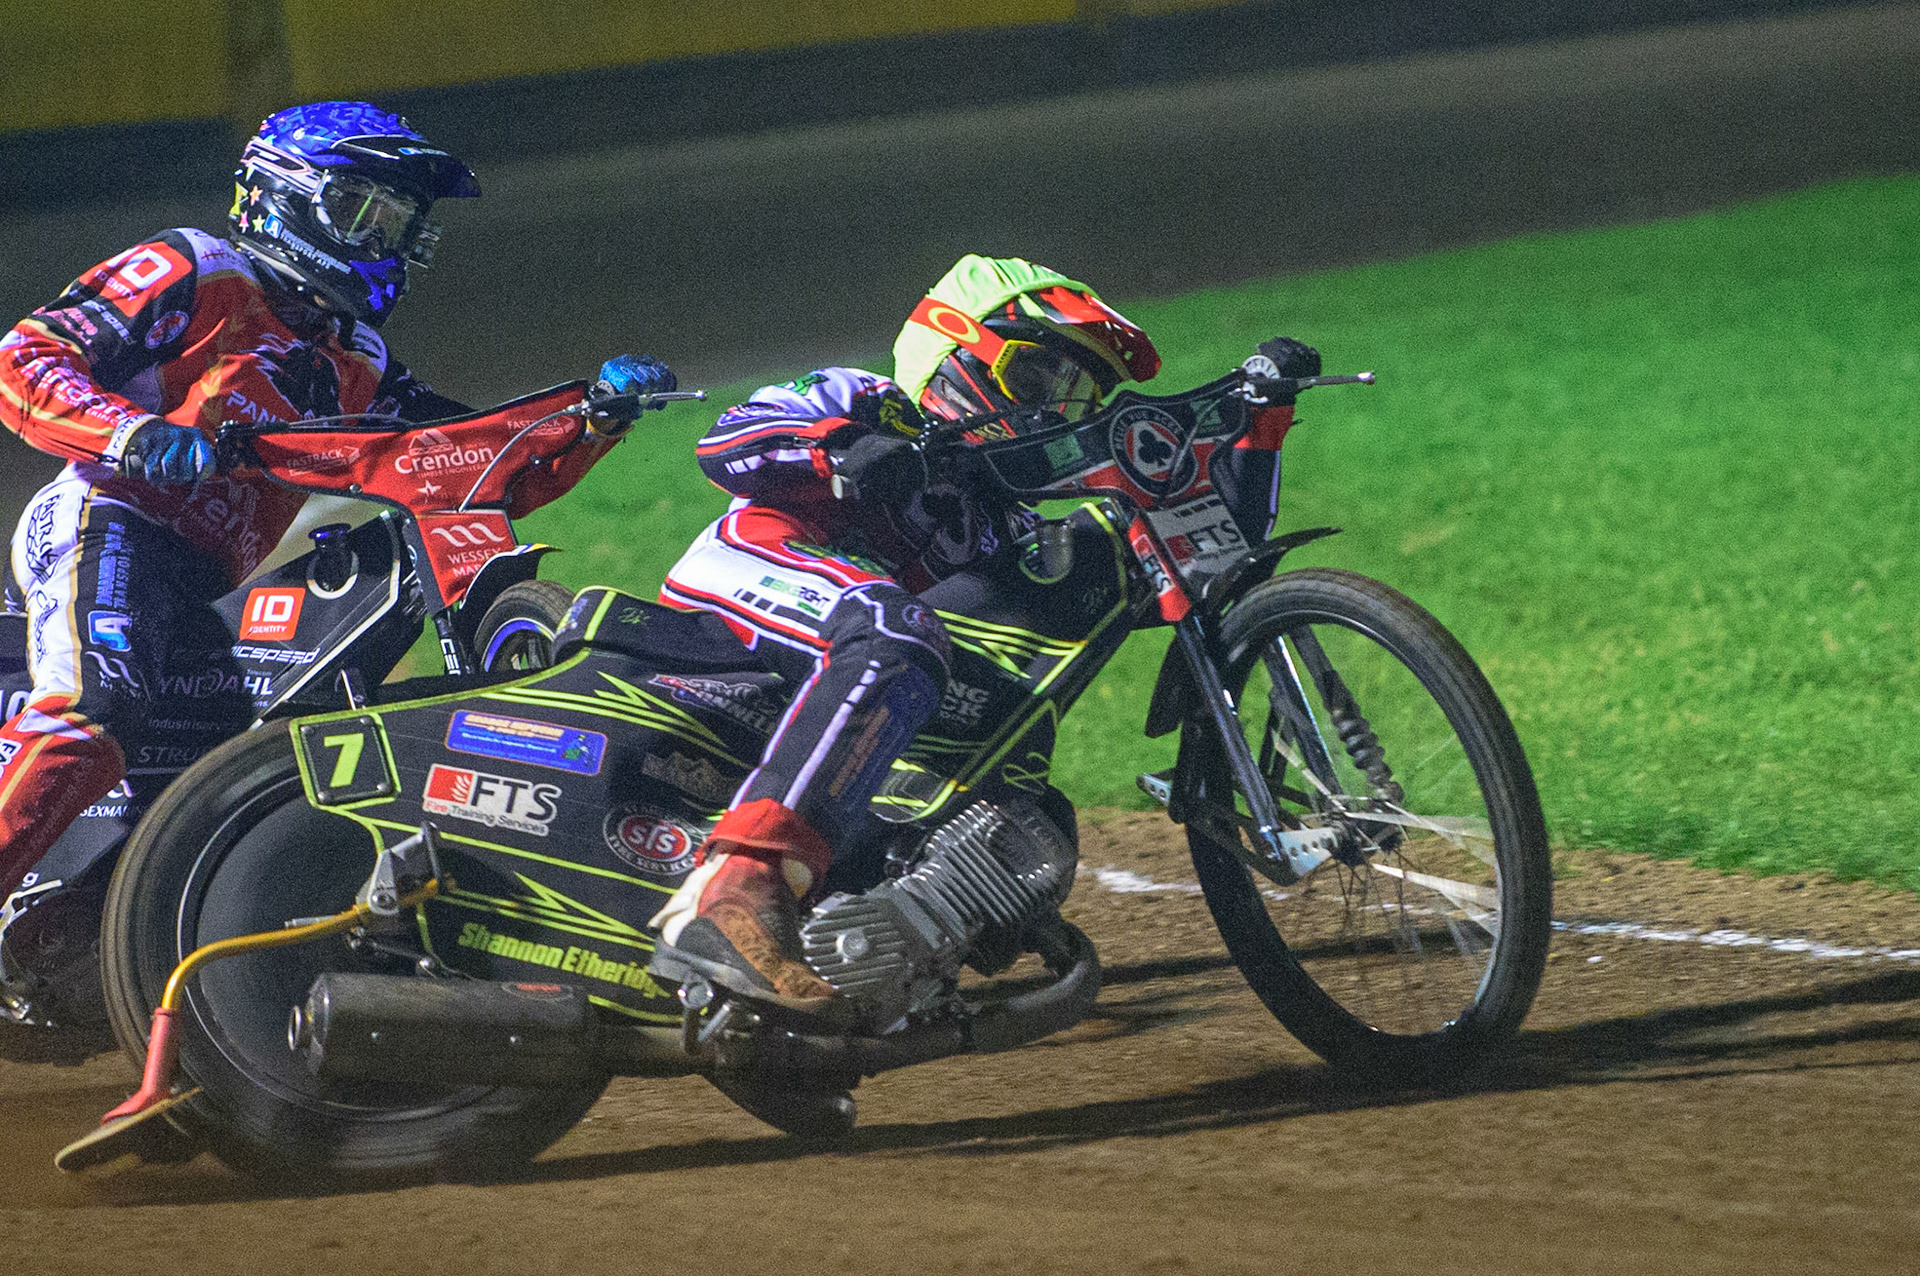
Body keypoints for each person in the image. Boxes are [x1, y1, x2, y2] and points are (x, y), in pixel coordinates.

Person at [0, 100, 671, 907]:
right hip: (108, 520)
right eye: (366, 214)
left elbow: (467, 465)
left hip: (200, 588)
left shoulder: (357, 355)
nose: (386, 243)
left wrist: (592, 421)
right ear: (285, 196)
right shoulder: (197, 268)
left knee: (220, 775)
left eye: (399, 225)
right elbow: (25, 357)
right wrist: (131, 432)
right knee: (93, 713)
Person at [649, 254, 1314, 1012]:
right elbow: (728, 440)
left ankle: (873, 949)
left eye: (1074, 395)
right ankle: (737, 891)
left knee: (1025, 807)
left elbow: (1204, 554)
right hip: (752, 578)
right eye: (1035, 379)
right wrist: (845, 447)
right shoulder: (867, 397)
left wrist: (1261, 427)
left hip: (858, 657)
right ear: (951, 350)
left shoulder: (1014, 513)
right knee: (899, 627)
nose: (1051, 410)